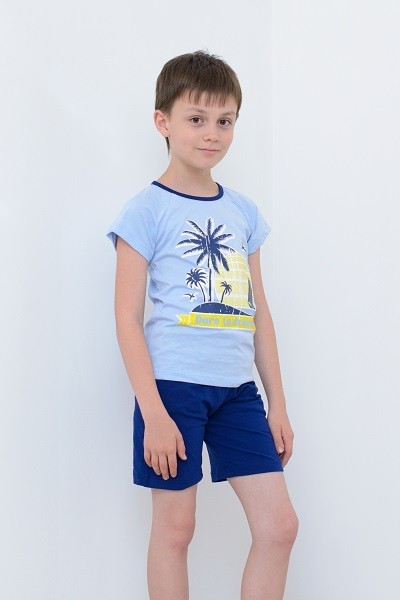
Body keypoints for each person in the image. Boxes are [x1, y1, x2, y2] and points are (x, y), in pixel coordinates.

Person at [106, 50, 299, 600]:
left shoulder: (243, 212)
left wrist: (277, 403)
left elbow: (259, 313)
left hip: (238, 393)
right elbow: (127, 318)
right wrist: (153, 412)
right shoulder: (145, 210)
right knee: (176, 529)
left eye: (225, 120)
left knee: (279, 527)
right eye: (196, 119)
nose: (212, 133)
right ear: (162, 121)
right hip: (173, 390)